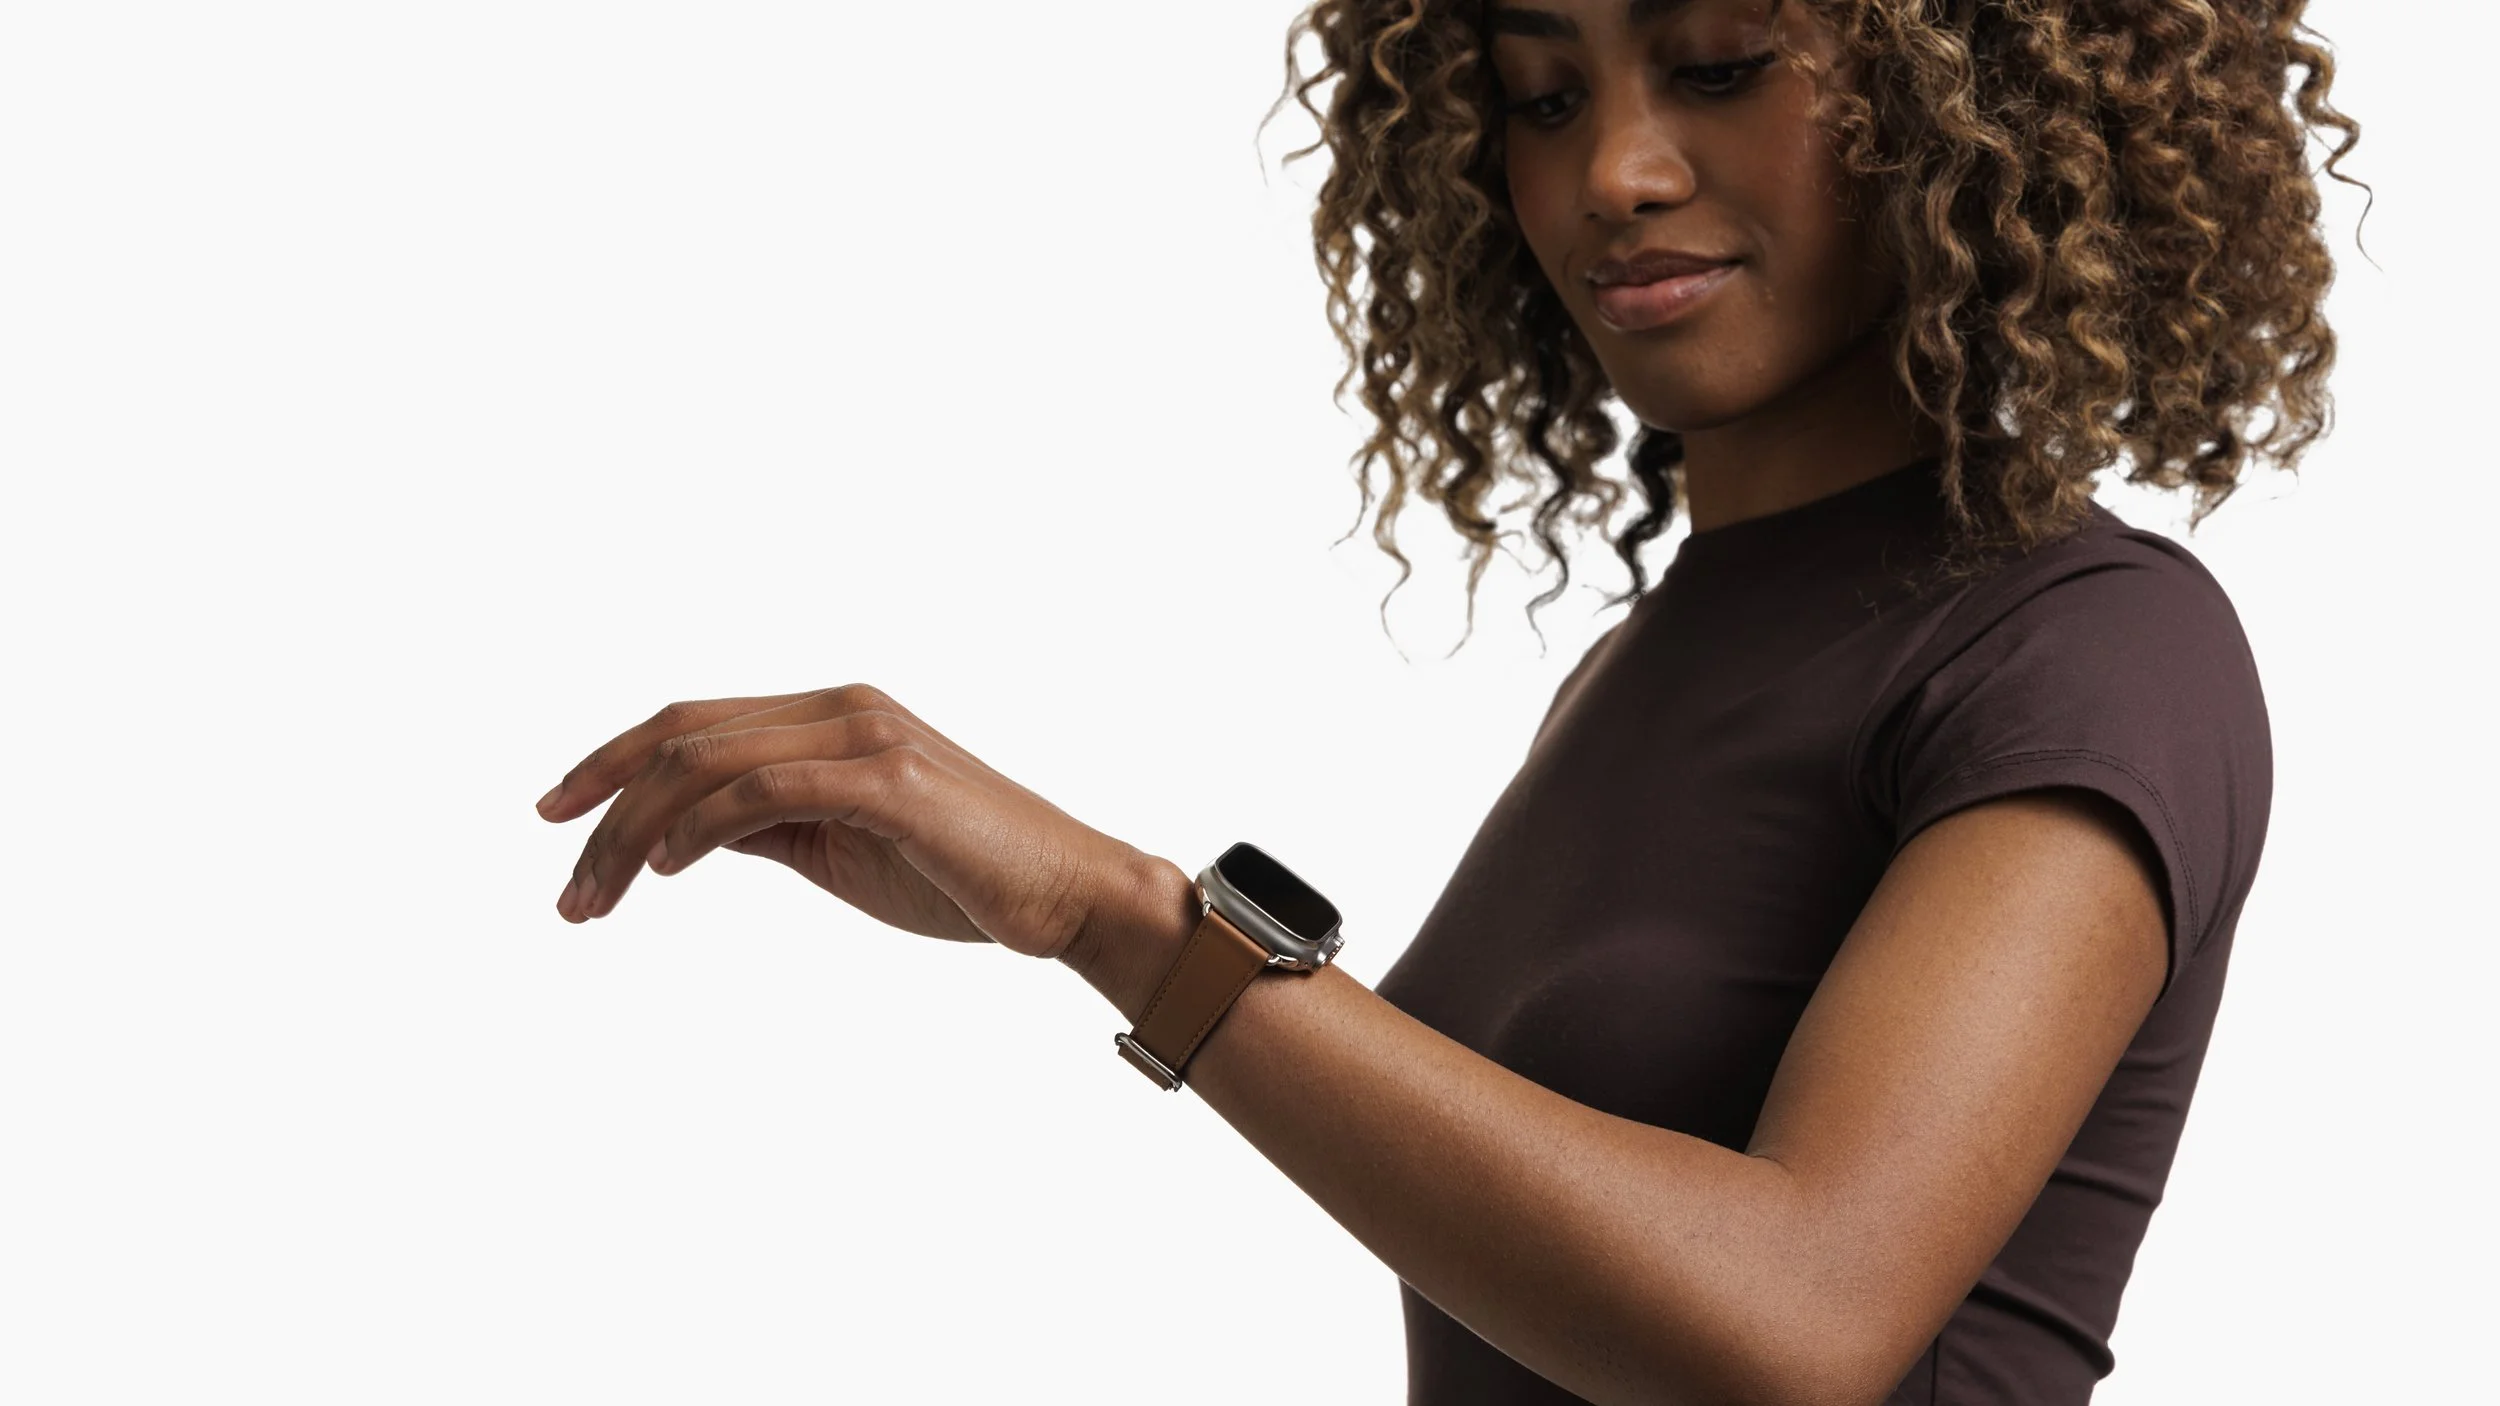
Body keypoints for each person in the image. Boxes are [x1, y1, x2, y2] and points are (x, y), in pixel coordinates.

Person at [536, 0, 2361, 1401]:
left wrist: (1116, 915)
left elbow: (1794, 1328)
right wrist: (1059, 925)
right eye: (1542, 96)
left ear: (1973, 97)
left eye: (1720, 65)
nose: (1613, 171)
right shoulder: (1644, 665)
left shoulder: (2092, 647)